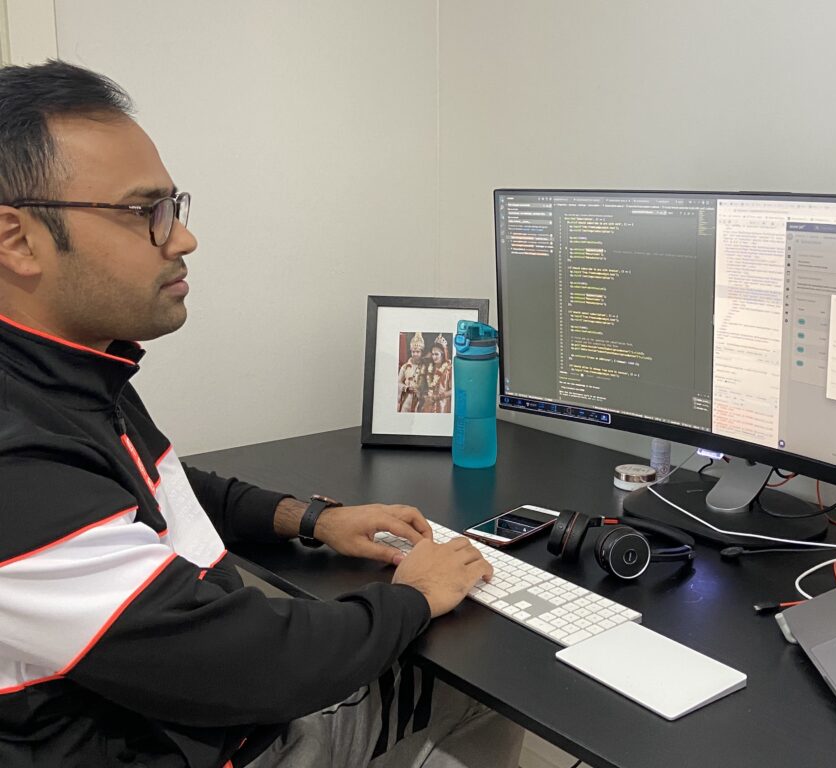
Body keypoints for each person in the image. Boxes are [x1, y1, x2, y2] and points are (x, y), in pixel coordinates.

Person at [0, 61, 523, 768]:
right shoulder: (18, 462)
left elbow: (166, 491)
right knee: (480, 685)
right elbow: (253, 668)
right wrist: (414, 597)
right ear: (17, 239)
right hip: (201, 741)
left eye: (174, 206)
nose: (181, 239)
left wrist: (310, 520)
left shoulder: (62, 369)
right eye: (141, 212)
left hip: (186, 714)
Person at [397, 332, 428, 412]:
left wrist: (421, 392)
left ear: (422, 352)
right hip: (407, 400)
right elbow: (398, 382)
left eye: (418, 352)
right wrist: (406, 388)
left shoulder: (426, 367)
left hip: (420, 401)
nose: (415, 354)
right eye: (413, 352)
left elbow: (429, 384)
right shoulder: (405, 367)